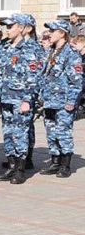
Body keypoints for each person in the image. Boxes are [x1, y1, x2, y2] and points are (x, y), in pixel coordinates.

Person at [0, 13, 43, 185]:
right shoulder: (8, 47)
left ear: (23, 28)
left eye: (11, 26)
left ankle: (21, 169)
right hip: (7, 97)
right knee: (8, 133)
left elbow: (33, 77)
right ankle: (11, 165)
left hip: (20, 99)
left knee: (20, 134)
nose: (7, 29)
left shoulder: (29, 49)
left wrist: (27, 100)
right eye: (7, 26)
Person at [39, 20, 82, 178]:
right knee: (51, 132)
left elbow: (76, 81)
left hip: (63, 102)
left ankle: (65, 164)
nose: (49, 34)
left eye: (53, 30)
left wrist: (71, 101)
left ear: (62, 33)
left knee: (63, 132)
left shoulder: (71, 53)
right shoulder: (50, 51)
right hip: (49, 100)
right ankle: (55, 161)